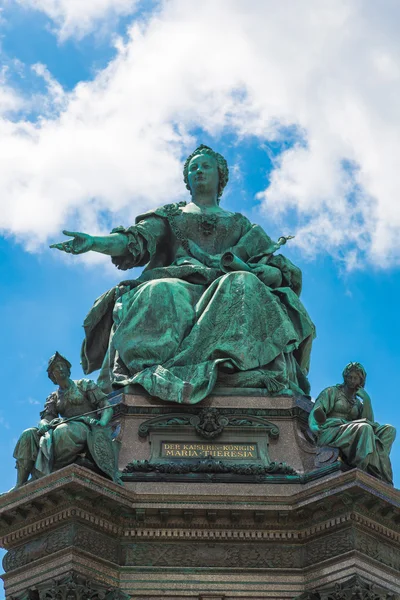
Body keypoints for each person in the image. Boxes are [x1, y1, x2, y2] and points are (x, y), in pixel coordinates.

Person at [51, 145, 315, 404]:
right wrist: (94, 242)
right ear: (187, 179)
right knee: (160, 291)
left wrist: (269, 273)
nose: (198, 170)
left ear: (220, 176)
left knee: (243, 282)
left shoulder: (241, 225)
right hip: (179, 282)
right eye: (193, 167)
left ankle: (227, 365)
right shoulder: (170, 216)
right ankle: (154, 372)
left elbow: (276, 267)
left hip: (225, 286)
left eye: (205, 166)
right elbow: (134, 240)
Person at [13, 352, 118, 487]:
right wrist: (43, 424)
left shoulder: (84, 385)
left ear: (68, 370)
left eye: (63, 366)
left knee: (62, 432)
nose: (61, 369)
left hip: (86, 426)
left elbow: (107, 407)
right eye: (57, 368)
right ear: (52, 376)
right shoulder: (54, 397)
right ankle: (20, 484)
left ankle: (44, 475)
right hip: (66, 424)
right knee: (28, 435)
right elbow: (46, 418)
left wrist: (101, 423)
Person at [309, 362, 396, 484]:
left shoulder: (358, 404)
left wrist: (367, 400)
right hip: (331, 430)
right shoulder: (332, 392)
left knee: (389, 430)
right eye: (349, 377)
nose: (351, 380)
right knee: (364, 428)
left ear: (360, 382)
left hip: (353, 432)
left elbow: (369, 421)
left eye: (355, 378)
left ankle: (376, 469)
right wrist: (315, 428)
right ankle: (363, 470)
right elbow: (316, 413)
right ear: (345, 377)